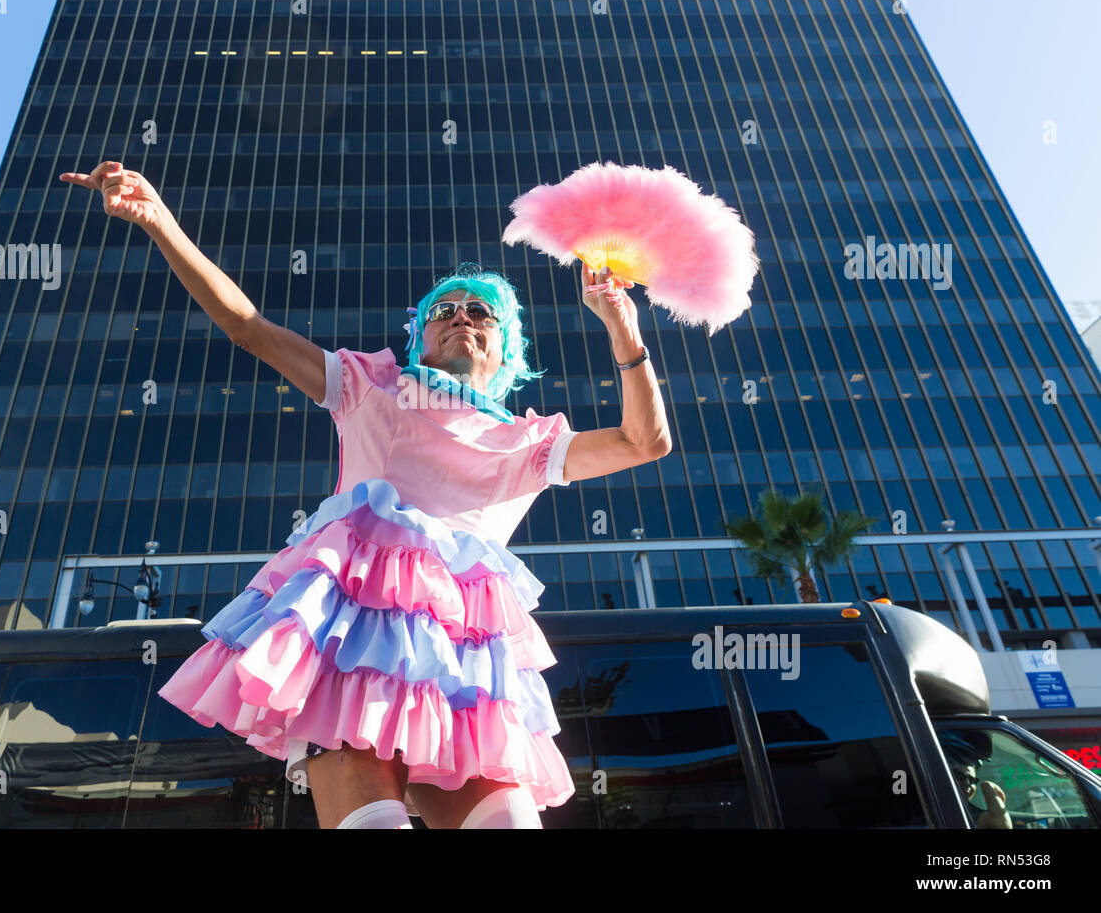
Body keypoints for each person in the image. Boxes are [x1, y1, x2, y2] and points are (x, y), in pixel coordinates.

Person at [60, 160, 673, 828]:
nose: (462, 318)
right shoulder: (369, 387)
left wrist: (624, 332)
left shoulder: (528, 442)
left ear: (505, 352)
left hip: (460, 679)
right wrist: (160, 221)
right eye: (444, 310)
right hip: (348, 655)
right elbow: (249, 328)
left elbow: (644, 443)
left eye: (482, 312)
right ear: (421, 338)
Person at [939, 729, 1012, 829]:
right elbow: (1000, 825)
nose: (967, 783)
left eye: (973, 780)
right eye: (959, 777)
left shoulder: (964, 810)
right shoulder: (941, 807)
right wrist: (988, 786)